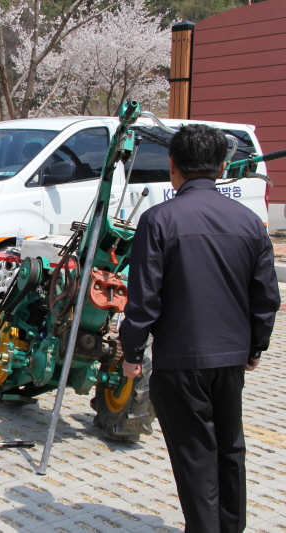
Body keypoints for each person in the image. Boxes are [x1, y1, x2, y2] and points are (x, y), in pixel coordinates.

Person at [119, 124, 280, 533]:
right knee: (230, 448)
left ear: (172, 166)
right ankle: (231, 526)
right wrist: (256, 346)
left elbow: (144, 299)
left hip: (179, 359)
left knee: (195, 454)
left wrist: (132, 352)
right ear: (223, 166)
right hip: (231, 357)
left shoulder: (157, 220)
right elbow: (266, 296)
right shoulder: (250, 222)